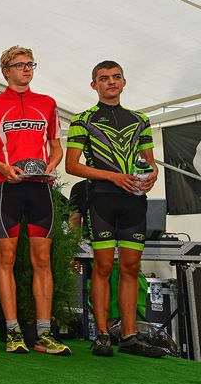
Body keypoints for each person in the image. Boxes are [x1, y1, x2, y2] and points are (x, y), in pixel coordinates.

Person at [65, 61, 164, 358]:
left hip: (133, 201)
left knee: (131, 268)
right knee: (103, 267)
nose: (111, 82)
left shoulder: (140, 120)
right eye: (104, 78)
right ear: (94, 85)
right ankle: (102, 335)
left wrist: (152, 175)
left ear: (124, 82)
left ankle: (130, 336)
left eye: (116, 77)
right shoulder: (83, 119)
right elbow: (72, 165)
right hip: (101, 200)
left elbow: (149, 162)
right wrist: (112, 176)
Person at [0, 46, 69, 355]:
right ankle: (12, 331)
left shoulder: (47, 104)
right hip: (9, 187)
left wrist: (52, 165)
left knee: (42, 260)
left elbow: (56, 146)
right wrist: (4, 168)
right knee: (6, 258)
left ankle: (44, 334)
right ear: (6, 71)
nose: (26, 69)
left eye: (30, 64)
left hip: (41, 188)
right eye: (19, 65)